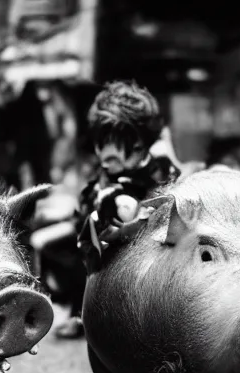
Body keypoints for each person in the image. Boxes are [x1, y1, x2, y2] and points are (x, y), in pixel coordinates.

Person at [51, 81, 189, 338]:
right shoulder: (106, 171)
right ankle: (79, 313)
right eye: (101, 143)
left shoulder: (161, 171)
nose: (105, 154)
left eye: (116, 145)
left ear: (139, 144)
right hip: (99, 256)